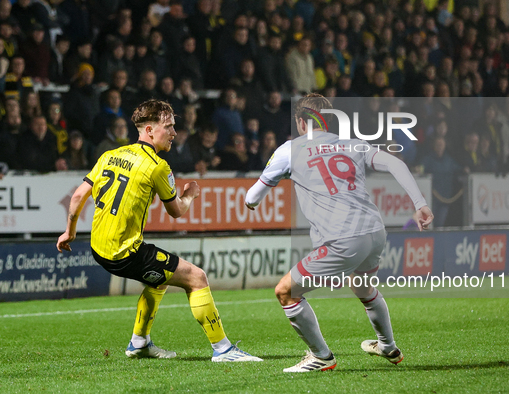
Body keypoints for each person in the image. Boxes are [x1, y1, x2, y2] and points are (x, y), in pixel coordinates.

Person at [56, 99, 261, 363]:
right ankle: (223, 350)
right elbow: (176, 211)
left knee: (160, 278)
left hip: (99, 248)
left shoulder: (110, 155)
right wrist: (190, 195)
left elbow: (78, 196)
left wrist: (69, 232)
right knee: (196, 278)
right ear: (150, 130)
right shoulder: (157, 166)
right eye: (169, 126)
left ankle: (139, 343)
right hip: (125, 252)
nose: (174, 133)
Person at [245, 94, 433, 372]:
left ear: (300, 122)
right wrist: (420, 204)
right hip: (374, 232)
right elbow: (396, 164)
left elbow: (251, 199)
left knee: (286, 291)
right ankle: (388, 346)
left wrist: (284, 174)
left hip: (342, 239)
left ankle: (321, 356)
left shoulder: (290, 150)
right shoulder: (353, 143)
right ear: (330, 121)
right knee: (362, 286)